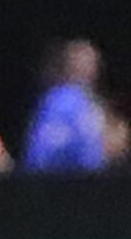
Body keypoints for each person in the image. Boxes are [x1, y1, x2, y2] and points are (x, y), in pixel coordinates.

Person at [21, 40, 120, 173]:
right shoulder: (60, 100)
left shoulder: (91, 102)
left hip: (91, 183)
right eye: (81, 62)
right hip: (60, 183)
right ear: (68, 65)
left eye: (91, 63)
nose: (88, 68)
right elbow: (45, 151)